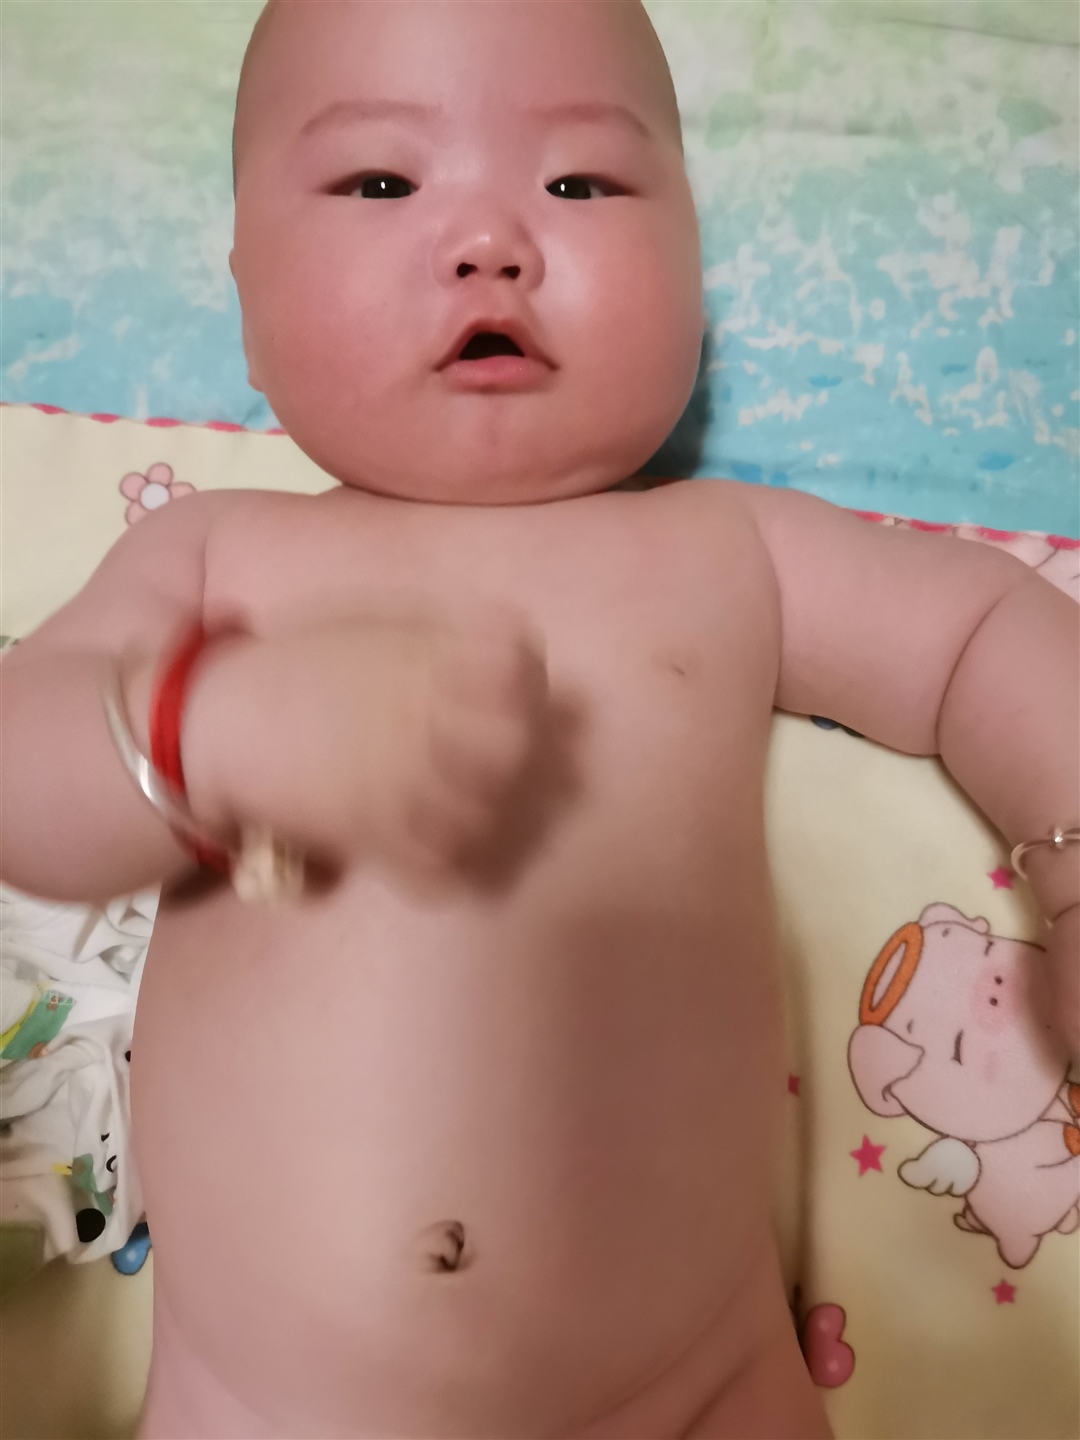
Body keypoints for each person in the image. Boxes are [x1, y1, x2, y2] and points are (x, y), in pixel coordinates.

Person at [2, 1, 1076, 1435]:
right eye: (381, 181)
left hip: (692, 1388)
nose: (489, 240)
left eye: (581, 180)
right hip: (257, 1406)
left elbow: (983, 633)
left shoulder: (724, 550)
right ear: (244, 289)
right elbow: (22, 770)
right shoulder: (218, 555)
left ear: (694, 277)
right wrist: (210, 727)